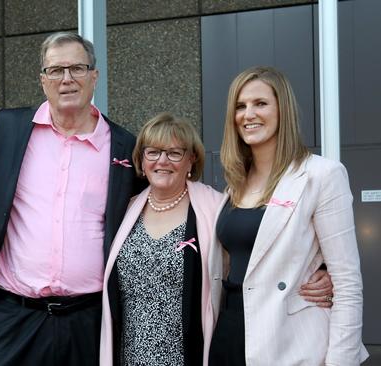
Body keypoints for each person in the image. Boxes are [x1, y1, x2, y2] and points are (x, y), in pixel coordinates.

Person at [100, 112, 335, 366]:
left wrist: (319, 270)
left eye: (174, 153)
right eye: (153, 152)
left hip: (192, 353)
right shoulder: (125, 209)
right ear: (141, 160)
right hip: (130, 353)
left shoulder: (215, 207)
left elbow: (264, 249)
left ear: (191, 160)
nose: (162, 161)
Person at [0, 32, 139, 366]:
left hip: (88, 321)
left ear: (94, 76)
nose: (66, 79)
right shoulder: (9, 128)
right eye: (56, 70)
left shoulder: (124, 146)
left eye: (77, 69)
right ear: (43, 80)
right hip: (15, 319)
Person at [207, 66, 369, 365]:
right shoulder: (236, 182)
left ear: (283, 110)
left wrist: (341, 360)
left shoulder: (322, 175)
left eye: (261, 103)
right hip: (229, 332)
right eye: (240, 106)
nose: (248, 114)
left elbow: (347, 282)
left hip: (290, 340)